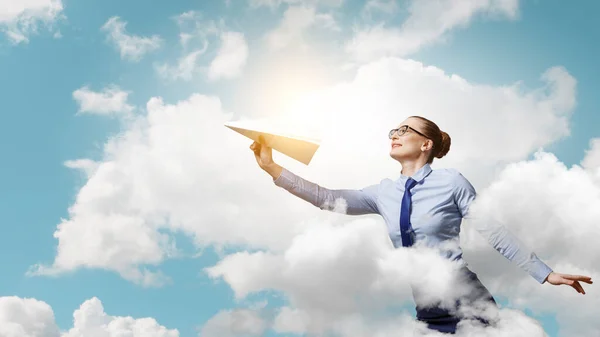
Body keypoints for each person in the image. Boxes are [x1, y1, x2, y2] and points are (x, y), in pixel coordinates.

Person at [250, 115, 593, 334]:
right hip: (427, 307)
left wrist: (545, 273)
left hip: (466, 300)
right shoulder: (383, 193)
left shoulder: (452, 181)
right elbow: (325, 197)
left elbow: (494, 230)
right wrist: (271, 167)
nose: (395, 134)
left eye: (405, 130)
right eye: (394, 129)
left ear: (426, 144)